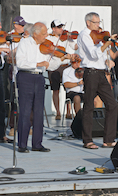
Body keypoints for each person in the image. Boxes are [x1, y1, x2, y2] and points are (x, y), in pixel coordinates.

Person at [16, 22, 74, 153]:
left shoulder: (45, 45)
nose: (46, 36)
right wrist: (37, 63)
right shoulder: (24, 43)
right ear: (35, 34)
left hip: (39, 77)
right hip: (26, 76)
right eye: (43, 34)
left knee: (38, 112)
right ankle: (22, 144)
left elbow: (51, 65)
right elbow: (20, 62)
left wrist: (62, 58)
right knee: (25, 111)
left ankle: (37, 144)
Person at [77, 12, 118, 149]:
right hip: (91, 73)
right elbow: (93, 55)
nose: (98, 25)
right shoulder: (84, 35)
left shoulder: (98, 37)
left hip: (101, 73)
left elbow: (100, 56)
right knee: (89, 105)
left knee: (112, 104)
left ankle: (108, 139)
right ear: (88, 22)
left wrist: (107, 60)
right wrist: (106, 43)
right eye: (96, 23)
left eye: (99, 22)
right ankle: (87, 140)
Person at [46, 19, 78, 120]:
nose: (61, 29)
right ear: (53, 29)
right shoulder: (48, 38)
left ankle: (68, 111)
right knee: (55, 90)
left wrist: (78, 39)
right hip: (54, 67)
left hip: (65, 66)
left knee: (68, 89)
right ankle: (58, 112)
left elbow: (75, 46)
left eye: (62, 27)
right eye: (59, 27)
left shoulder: (66, 37)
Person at [8, 16, 27, 136]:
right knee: (15, 99)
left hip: (25, 70)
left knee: (27, 101)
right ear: (15, 25)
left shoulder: (26, 36)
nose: (22, 27)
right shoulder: (10, 36)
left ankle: (26, 125)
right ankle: (13, 126)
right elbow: (9, 52)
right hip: (15, 71)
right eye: (20, 25)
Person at [0, 20, 13, 143]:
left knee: (1, 105)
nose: (0, 28)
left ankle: (1, 134)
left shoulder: (2, 40)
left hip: (1, 72)